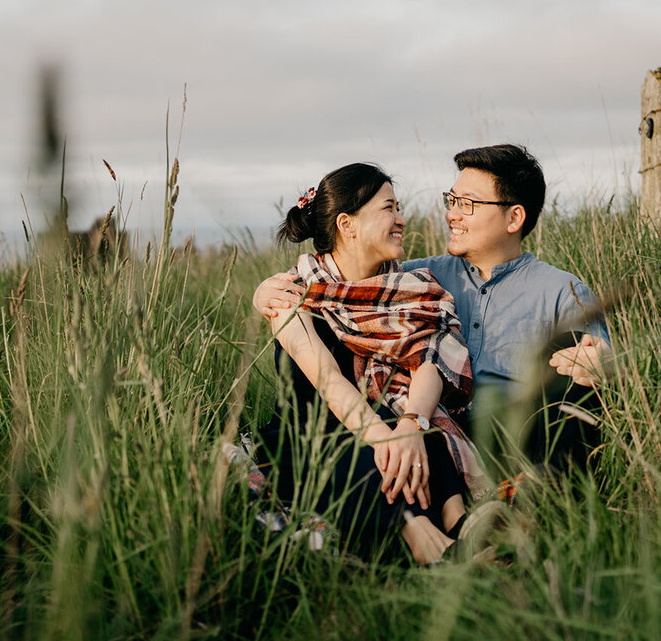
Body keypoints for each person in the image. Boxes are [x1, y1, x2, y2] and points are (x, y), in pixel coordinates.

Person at [258, 144, 611, 473]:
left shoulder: (562, 292)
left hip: (517, 436)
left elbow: (602, 364)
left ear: (514, 218)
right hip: (435, 432)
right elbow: (346, 290)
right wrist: (265, 292)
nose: (450, 214)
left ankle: (541, 500)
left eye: (466, 204)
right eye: (451, 200)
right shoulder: (415, 279)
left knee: (571, 362)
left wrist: (603, 361)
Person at [257, 162, 491, 565]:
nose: (402, 219)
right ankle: (424, 536)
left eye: (399, 208)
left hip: (381, 417)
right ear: (348, 224)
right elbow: (328, 380)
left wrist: (407, 426)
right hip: (311, 437)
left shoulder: (410, 289)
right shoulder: (292, 294)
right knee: (373, 450)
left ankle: (462, 523)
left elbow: (428, 363)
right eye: (389, 208)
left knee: (423, 429)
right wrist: (388, 438)